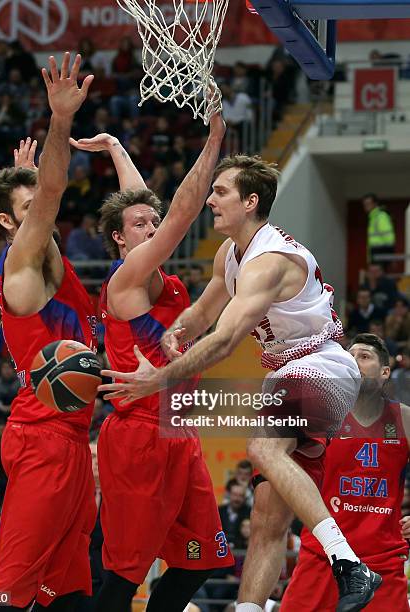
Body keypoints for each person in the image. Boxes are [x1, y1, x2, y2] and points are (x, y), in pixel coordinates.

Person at [99, 154, 382, 612]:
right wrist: (179, 330)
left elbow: (228, 338)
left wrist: (160, 379)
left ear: (250, 201)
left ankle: (349, 563)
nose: (211, 200)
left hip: (323, 365)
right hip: (286, 371)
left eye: (221, 192)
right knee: (267, 519)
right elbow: (205, 314)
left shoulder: (268, 262)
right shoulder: (230, 254)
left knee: (262, 448)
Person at [72, 111, 233, 611]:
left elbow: (142, 208)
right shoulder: (127, 279)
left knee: (200, 559)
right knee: (123, 575)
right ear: (120, 240)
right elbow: (181, 213)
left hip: (179, 431)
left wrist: (118, 149)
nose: (151, 226)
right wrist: (214, 141)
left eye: (152, 223)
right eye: (139, 226)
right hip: (139, 435)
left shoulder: (153, 270)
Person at [0, 52, 98, 610]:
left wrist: (27, 172)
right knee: (10, 589)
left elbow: (42, 192)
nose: (42, 208)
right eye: (27, 206)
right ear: (9, 223)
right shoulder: (25, 257)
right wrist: (60, 122)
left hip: (72, 440)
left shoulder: (41, 253)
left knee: (68, 587)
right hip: (43, 440)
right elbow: (51, 194)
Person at [282, 333, 410, 611]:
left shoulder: (405, 419)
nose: (353, 363)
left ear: (385, 372)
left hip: (383, 561)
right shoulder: (318, 415)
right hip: (323, 555)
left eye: (364, 357)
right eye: (349, 357)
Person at [362, 193, 396, 265]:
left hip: (382, 253)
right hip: (375, 252)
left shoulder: (381, 216)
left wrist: (391, 254)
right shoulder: (373, 217)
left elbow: (388, 236)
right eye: (365, 204)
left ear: (375, 204)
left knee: (378, 275)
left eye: (368, 204)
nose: (366, 206)